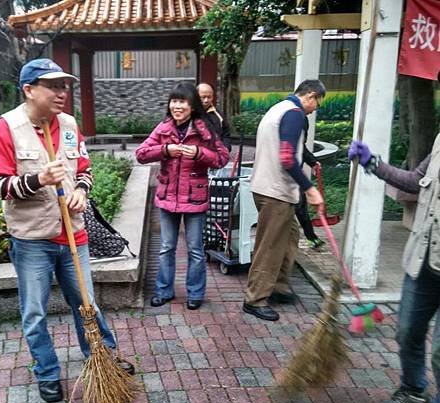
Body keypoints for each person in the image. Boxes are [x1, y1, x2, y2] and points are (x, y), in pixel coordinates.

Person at [0, 58, 133, 403]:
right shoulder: (5, 129)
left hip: (74, 236)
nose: (62, 92)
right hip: (32, 239)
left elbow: (84, 168)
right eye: (53, 85)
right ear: (29, 90)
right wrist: (37, 180)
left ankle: (102, 358)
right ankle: (47, 373)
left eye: (64, 85)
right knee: (34, 311)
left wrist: (81, 190)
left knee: (87, 304)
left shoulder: (67, 124)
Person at [349, 132, 440, 403]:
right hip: (423, 258)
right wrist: (373, 163)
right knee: (407, 330)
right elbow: (416, 181)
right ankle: (414, 391)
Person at [136, 82, 229, 310]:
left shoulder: (204, 130)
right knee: (166, 247)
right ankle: (163, 291)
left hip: (194, 199)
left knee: (195, 249)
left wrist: (199, 153)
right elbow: (140, 154)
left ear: (192, 106)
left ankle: (195, 294)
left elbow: (222, 157)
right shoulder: (164, 128)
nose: (177, 106)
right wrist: (165, 150)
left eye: (183, 102)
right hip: (167, 196)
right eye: (174, 101)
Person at [243, 79, 325, 322]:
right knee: (269, 246)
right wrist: (309, 188)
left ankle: (278, 286)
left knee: (290, 236)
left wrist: (309, 163)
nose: (314, 109)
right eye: (317, 103)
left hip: (268, 187)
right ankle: (255, 299)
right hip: (276, 191)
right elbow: (288, 157)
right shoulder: (294, 114)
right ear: (310, 96)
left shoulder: (278, 109)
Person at [295, 120, 325, 250]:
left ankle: (311, 238)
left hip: (295, 179)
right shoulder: (292, 127)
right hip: (285, 181)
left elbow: (302, 148)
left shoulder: (297, 133)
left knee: (301, 208)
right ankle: (311, 238)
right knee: (298, 209)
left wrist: (313, 162)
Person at [197, 83, 232, 151]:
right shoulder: (188, 113)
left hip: (216, 155)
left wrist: (226, 148)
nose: (206, 100)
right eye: (203, 97)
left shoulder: (218, 114)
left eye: (209, 97)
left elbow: (226, 134)